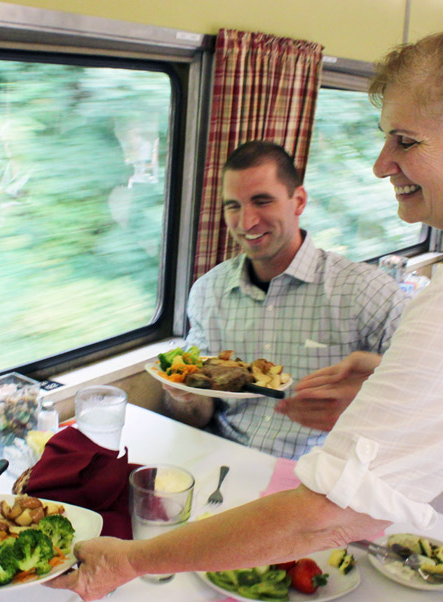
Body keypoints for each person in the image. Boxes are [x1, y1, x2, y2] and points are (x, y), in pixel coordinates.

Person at [51, 12, 443, 602]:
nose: (382, 165)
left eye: (406, 142)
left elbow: (331, 517)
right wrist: (385, 385)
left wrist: (132, 560)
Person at [165, 140, 407, 458]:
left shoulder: (364, 290)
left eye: (262, 201)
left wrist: (371, 399)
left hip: (317, 471)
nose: (246, 222)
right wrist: (185, 395)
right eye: (233, 206)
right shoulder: (209, 292)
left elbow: (428, 392)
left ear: (299, 201)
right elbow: (199, 415)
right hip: (224, 458)